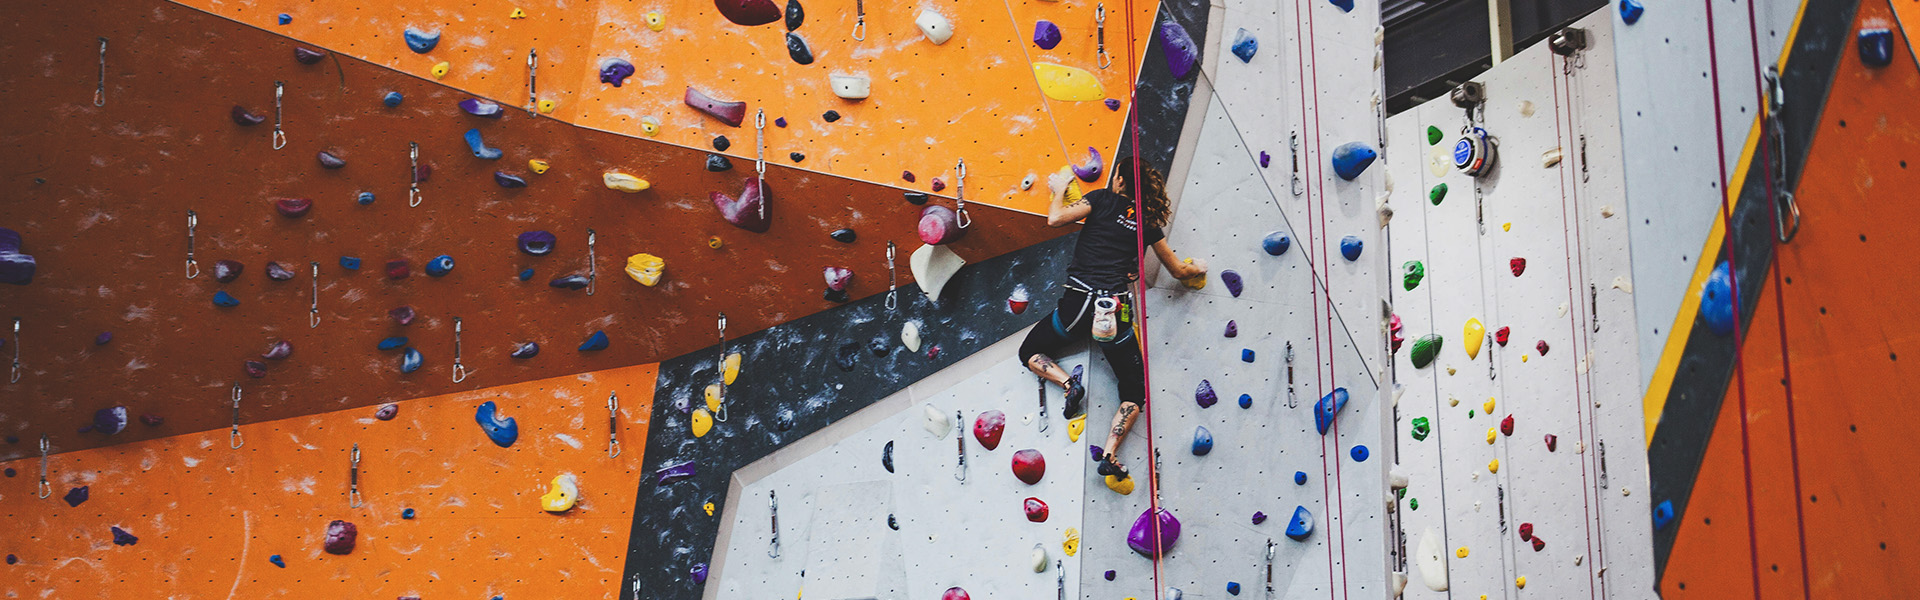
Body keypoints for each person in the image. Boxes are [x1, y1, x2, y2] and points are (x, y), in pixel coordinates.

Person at [1017, 155, 1207, 481]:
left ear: (1119, 180)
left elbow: (1056, 219)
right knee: (1134, 393)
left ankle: (1069, 384)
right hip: (1113, 313)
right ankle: (1109, 455)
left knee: (1029, 352)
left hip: (1076, 307)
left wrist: (1061, 188)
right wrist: (1198, 268)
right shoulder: (1148, 223)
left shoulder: (1102, 199)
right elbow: (1177, 270)